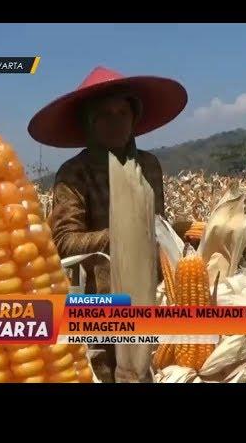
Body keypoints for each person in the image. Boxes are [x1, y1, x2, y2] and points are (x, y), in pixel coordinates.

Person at [27, 66, 187, 380]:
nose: (116, 121)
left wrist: (184, 232)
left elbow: (157, 226)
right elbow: (62, 242)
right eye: (104, 114)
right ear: (89, 123)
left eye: (122, 112)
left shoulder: (149, 166)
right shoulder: (74, 173)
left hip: (149, 295)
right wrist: (124, 235)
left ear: (134, 118)